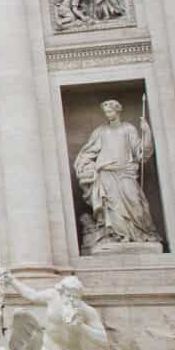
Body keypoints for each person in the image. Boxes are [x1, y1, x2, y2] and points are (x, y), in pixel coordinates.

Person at [73, 100, 160, 246]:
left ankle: (140, 233)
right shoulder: (100, 131)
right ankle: (119, 236)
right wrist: (85, 166)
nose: (108, 115)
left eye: (110, 111)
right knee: (111, 206)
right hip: (106, 173)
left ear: (117, 111)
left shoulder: (128, 129)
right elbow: (87, 153)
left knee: (135, 202)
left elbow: (140, 153)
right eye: (106, 112)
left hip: (126, 173)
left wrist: (147, 132)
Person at [7, 274, 108, 350]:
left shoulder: (86, 311)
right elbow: (32, 295)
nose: (71, 300)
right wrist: (12, 280)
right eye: (68, 295)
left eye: (75, 297)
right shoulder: (52, 297)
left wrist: (82, 326)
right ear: (61, 293)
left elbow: (104, 341)